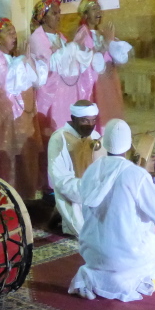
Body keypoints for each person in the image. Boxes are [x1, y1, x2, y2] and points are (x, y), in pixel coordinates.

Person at [68, 119, 155, 301]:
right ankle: (138, 281)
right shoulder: (136, 174)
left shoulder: (92, 170)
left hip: (90, 252)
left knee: (108, 254)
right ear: (129, 143)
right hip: (125, 255)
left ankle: (93, 276)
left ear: (105, 143)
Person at [0, 18, 47, 198]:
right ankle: (11, 199)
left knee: (26, 155)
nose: (14, 36)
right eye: (9, 33)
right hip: (5, 120)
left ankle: (27, 197)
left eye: (14, 32)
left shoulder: (12, 58)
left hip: (21, 117)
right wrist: (22, 60)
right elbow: (7, 84)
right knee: (9, 161)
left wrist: (28, 60)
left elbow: (35, 80)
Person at [29, 0, 94, 141]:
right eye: (54, 13)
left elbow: (70, 62)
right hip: (52, 95)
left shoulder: (60, 36)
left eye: (59, 12)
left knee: (69, 130)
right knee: (55, 132)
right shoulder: (37, 38)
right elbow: (47, 66)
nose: (59, 16)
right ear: (43, 17)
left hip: (68, 92)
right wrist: (71, 49)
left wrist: (78, 50)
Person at [73, 0, 132, 131]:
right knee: (99, 116)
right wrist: (106, 43)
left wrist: (114, 45)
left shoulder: (101, 32)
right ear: (85, 14)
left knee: (112, 115)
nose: (98, 12)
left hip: (109, 82)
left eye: (99, 9)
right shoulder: (82, 34)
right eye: (94, 9)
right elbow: (88, 60)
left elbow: (117, 56)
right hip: (95, 85)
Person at [47, 100, 105, 236]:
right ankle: (61, 213)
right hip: (73, 194)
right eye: (85, 121)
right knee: (89, 234)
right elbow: (60, 180)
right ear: (73, 118)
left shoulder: (95, 137)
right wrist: (87, 190)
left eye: (93, 120)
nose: (90, 125)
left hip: (94, 192)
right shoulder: (59, 139)